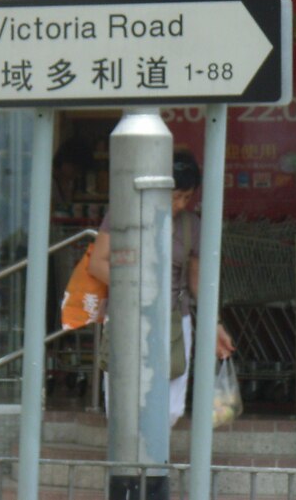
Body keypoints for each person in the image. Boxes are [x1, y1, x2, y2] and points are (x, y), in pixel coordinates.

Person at [88, 149, 235, 426]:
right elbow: (98, 264)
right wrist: (137, 288)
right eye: (175, 195)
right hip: (127, 314)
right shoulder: (123, 213)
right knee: (123, 404)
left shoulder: (191, 225)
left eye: (187, 197)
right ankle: (128, 466)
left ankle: (154, 465)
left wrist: (213, 324)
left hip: (175, 321)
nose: (180, 203)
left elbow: (197, 282)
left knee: (172, 407)